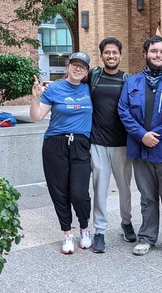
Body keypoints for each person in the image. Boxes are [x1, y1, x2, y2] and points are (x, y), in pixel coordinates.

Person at [117, 35, 162, 261]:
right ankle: (147, 237)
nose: (157, 55)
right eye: (153, 51)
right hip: (141, 151)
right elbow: (123, 110)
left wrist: (154, 136)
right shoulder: (132, 83)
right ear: (146, 53)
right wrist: (142, 135)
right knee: (147, 197)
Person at [30, 52, 93, 255]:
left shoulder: (89, 89)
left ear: (86, 71)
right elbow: (36, 116)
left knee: (80, 193)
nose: (78, 69)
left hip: (81, 144)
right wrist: (35, 98)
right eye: (74, 64)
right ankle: (67, 233)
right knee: (59, 192)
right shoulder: (55, 88)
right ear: (68, 66)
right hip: (55, 144)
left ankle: (85, 228)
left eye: (82, 66)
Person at [88, 37, 135, 253]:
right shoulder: (93, 76)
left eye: (115, 53)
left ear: (120, 55)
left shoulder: (127, 80)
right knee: (99, 189)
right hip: (97, 143)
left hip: (122, 145)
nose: (111, 56)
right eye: (107, 52)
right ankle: (99, 231)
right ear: (102, 55)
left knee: (125, 188)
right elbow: (72, 83)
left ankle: (126, 222)